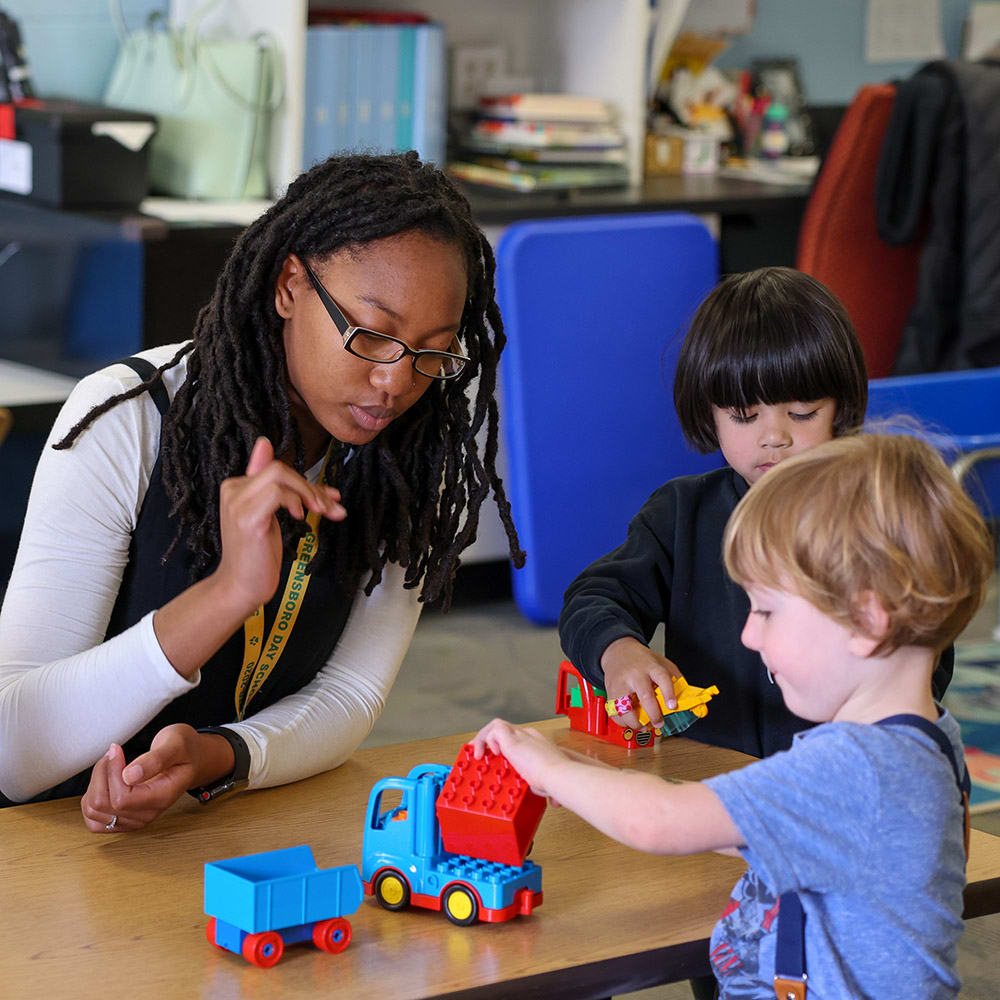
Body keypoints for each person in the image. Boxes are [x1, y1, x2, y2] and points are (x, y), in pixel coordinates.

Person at [0, 151, 524, 831]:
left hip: (217, 827)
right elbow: (13, 754)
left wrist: (222, 756)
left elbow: (351, 694)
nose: (397, 381)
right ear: (288, 285)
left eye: (434, 351)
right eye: (371, 334)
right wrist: (226, 595)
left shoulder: (413, 459)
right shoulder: (126, 417)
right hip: (45, 845)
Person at [478, 431, 991, 999]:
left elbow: (657, 821)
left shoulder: (857, 770)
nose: (749, 633)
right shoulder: (927, 740)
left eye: (768, 611)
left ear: (867, 621)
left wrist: (549, 769)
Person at [560, 266, 953, 758]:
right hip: (710, 774)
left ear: (841, 407)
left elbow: (928, 655)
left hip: (837, 775)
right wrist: (617, 650)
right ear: (710, 414)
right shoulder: (683, 514)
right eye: (745, 416)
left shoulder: (873, 515)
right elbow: (592, 598)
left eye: (803, 412)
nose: (775, 436)